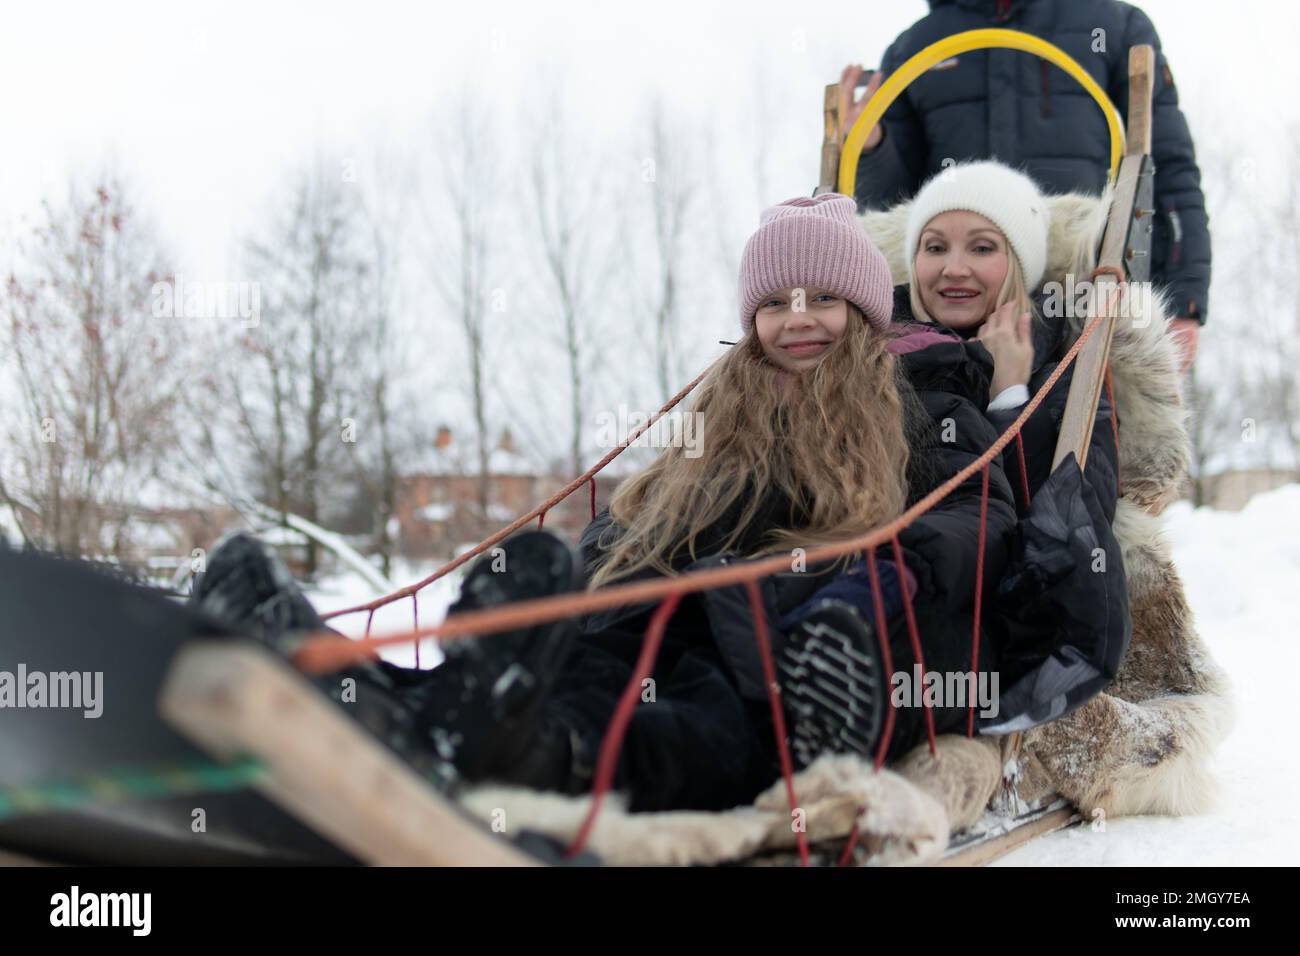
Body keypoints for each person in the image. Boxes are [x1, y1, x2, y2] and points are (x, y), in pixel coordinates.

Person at [193, 193, 1019, 814]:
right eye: (773, 304)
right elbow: (642, 520)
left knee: (688, 731)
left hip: (774, 655)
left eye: (822, 300)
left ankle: (517, 753)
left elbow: (969, 519)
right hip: (659, 620)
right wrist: (578, 588)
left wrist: (857, 597)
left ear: (868, 312)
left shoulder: (925, 412)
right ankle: (338, 677)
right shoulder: (725, 414)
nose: (795, 322)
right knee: (577, 657)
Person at [843, 0, 1209, 372]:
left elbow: (1168, 170)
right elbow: (892, 206)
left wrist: (1185, 298)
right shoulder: (917, 45)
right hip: (956, 295)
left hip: (1080, 288)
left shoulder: (1112, 24)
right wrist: (873, 147)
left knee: (1087, 420)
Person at [893, 160, 1132, 728]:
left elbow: (1065, 517)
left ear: (1018, 264)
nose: (954, 269)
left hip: (994, 607)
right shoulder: (873, 348)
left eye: (981, 248)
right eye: (934, 247)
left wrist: (1010, 394)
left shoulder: (1068, 361)